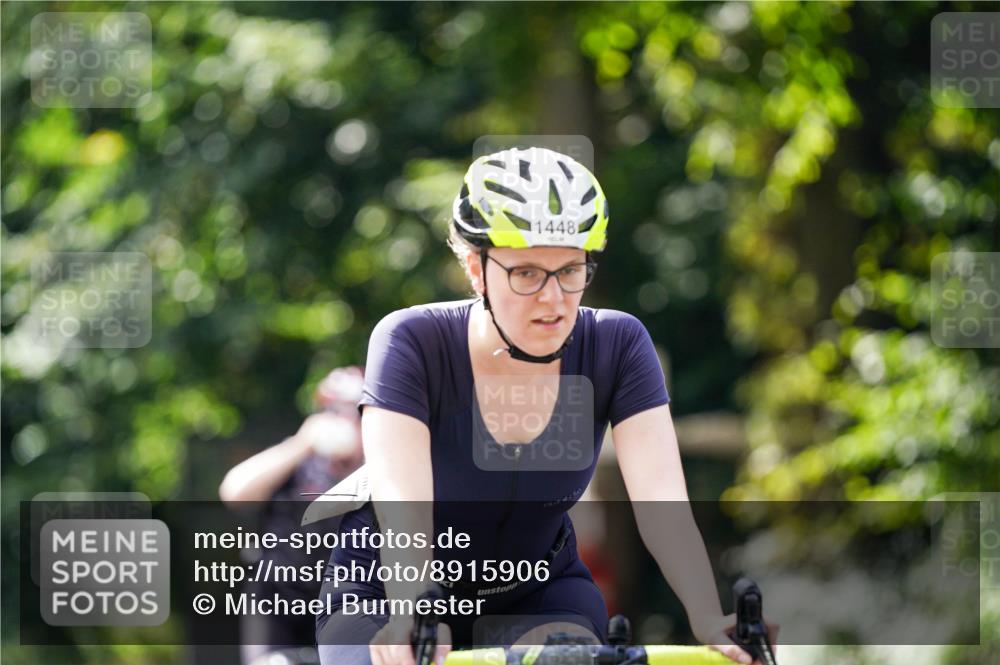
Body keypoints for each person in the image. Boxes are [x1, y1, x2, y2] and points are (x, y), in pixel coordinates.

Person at [316, 147, 774, 665]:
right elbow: (404, 503)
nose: (554, 299)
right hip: (388, 591)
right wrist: (411, 613)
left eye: (571, 270)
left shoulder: (617, 344)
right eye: (527, 273)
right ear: (475, 267)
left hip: (540, 593)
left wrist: (708, 617)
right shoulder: (412, 341)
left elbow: (662, 504)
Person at [220, 366, 365, 665]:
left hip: (346, 602)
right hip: (278, 599)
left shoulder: (382, 466)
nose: (345, 420)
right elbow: (234, 491)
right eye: (333, 410)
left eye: (355, 412)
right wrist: (302, 442)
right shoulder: (297, 460)